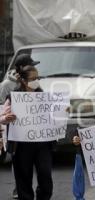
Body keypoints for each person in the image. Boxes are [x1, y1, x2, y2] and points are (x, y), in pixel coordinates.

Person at [0, 64, 54, 200]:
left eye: (38, 78)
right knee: (23, 177)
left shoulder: (44, 96)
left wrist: (63, 112)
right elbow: (2, 118)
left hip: (42, 144)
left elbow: (54, 116)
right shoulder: (13, 97)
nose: (37, 81)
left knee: (45, 175)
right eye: (33, 78)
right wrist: (6, 118)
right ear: (24, 81)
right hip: (21, 145)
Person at [0, 53, 40, 199]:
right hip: (13, 130)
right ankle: (19, 187)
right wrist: (6, 119)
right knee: (18, 161)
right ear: (21, 68)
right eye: (30, 65)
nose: (33, 68)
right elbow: (2, 107)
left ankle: (24, 188)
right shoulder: (6, 86)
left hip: (32, 131)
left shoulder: (35, 84)